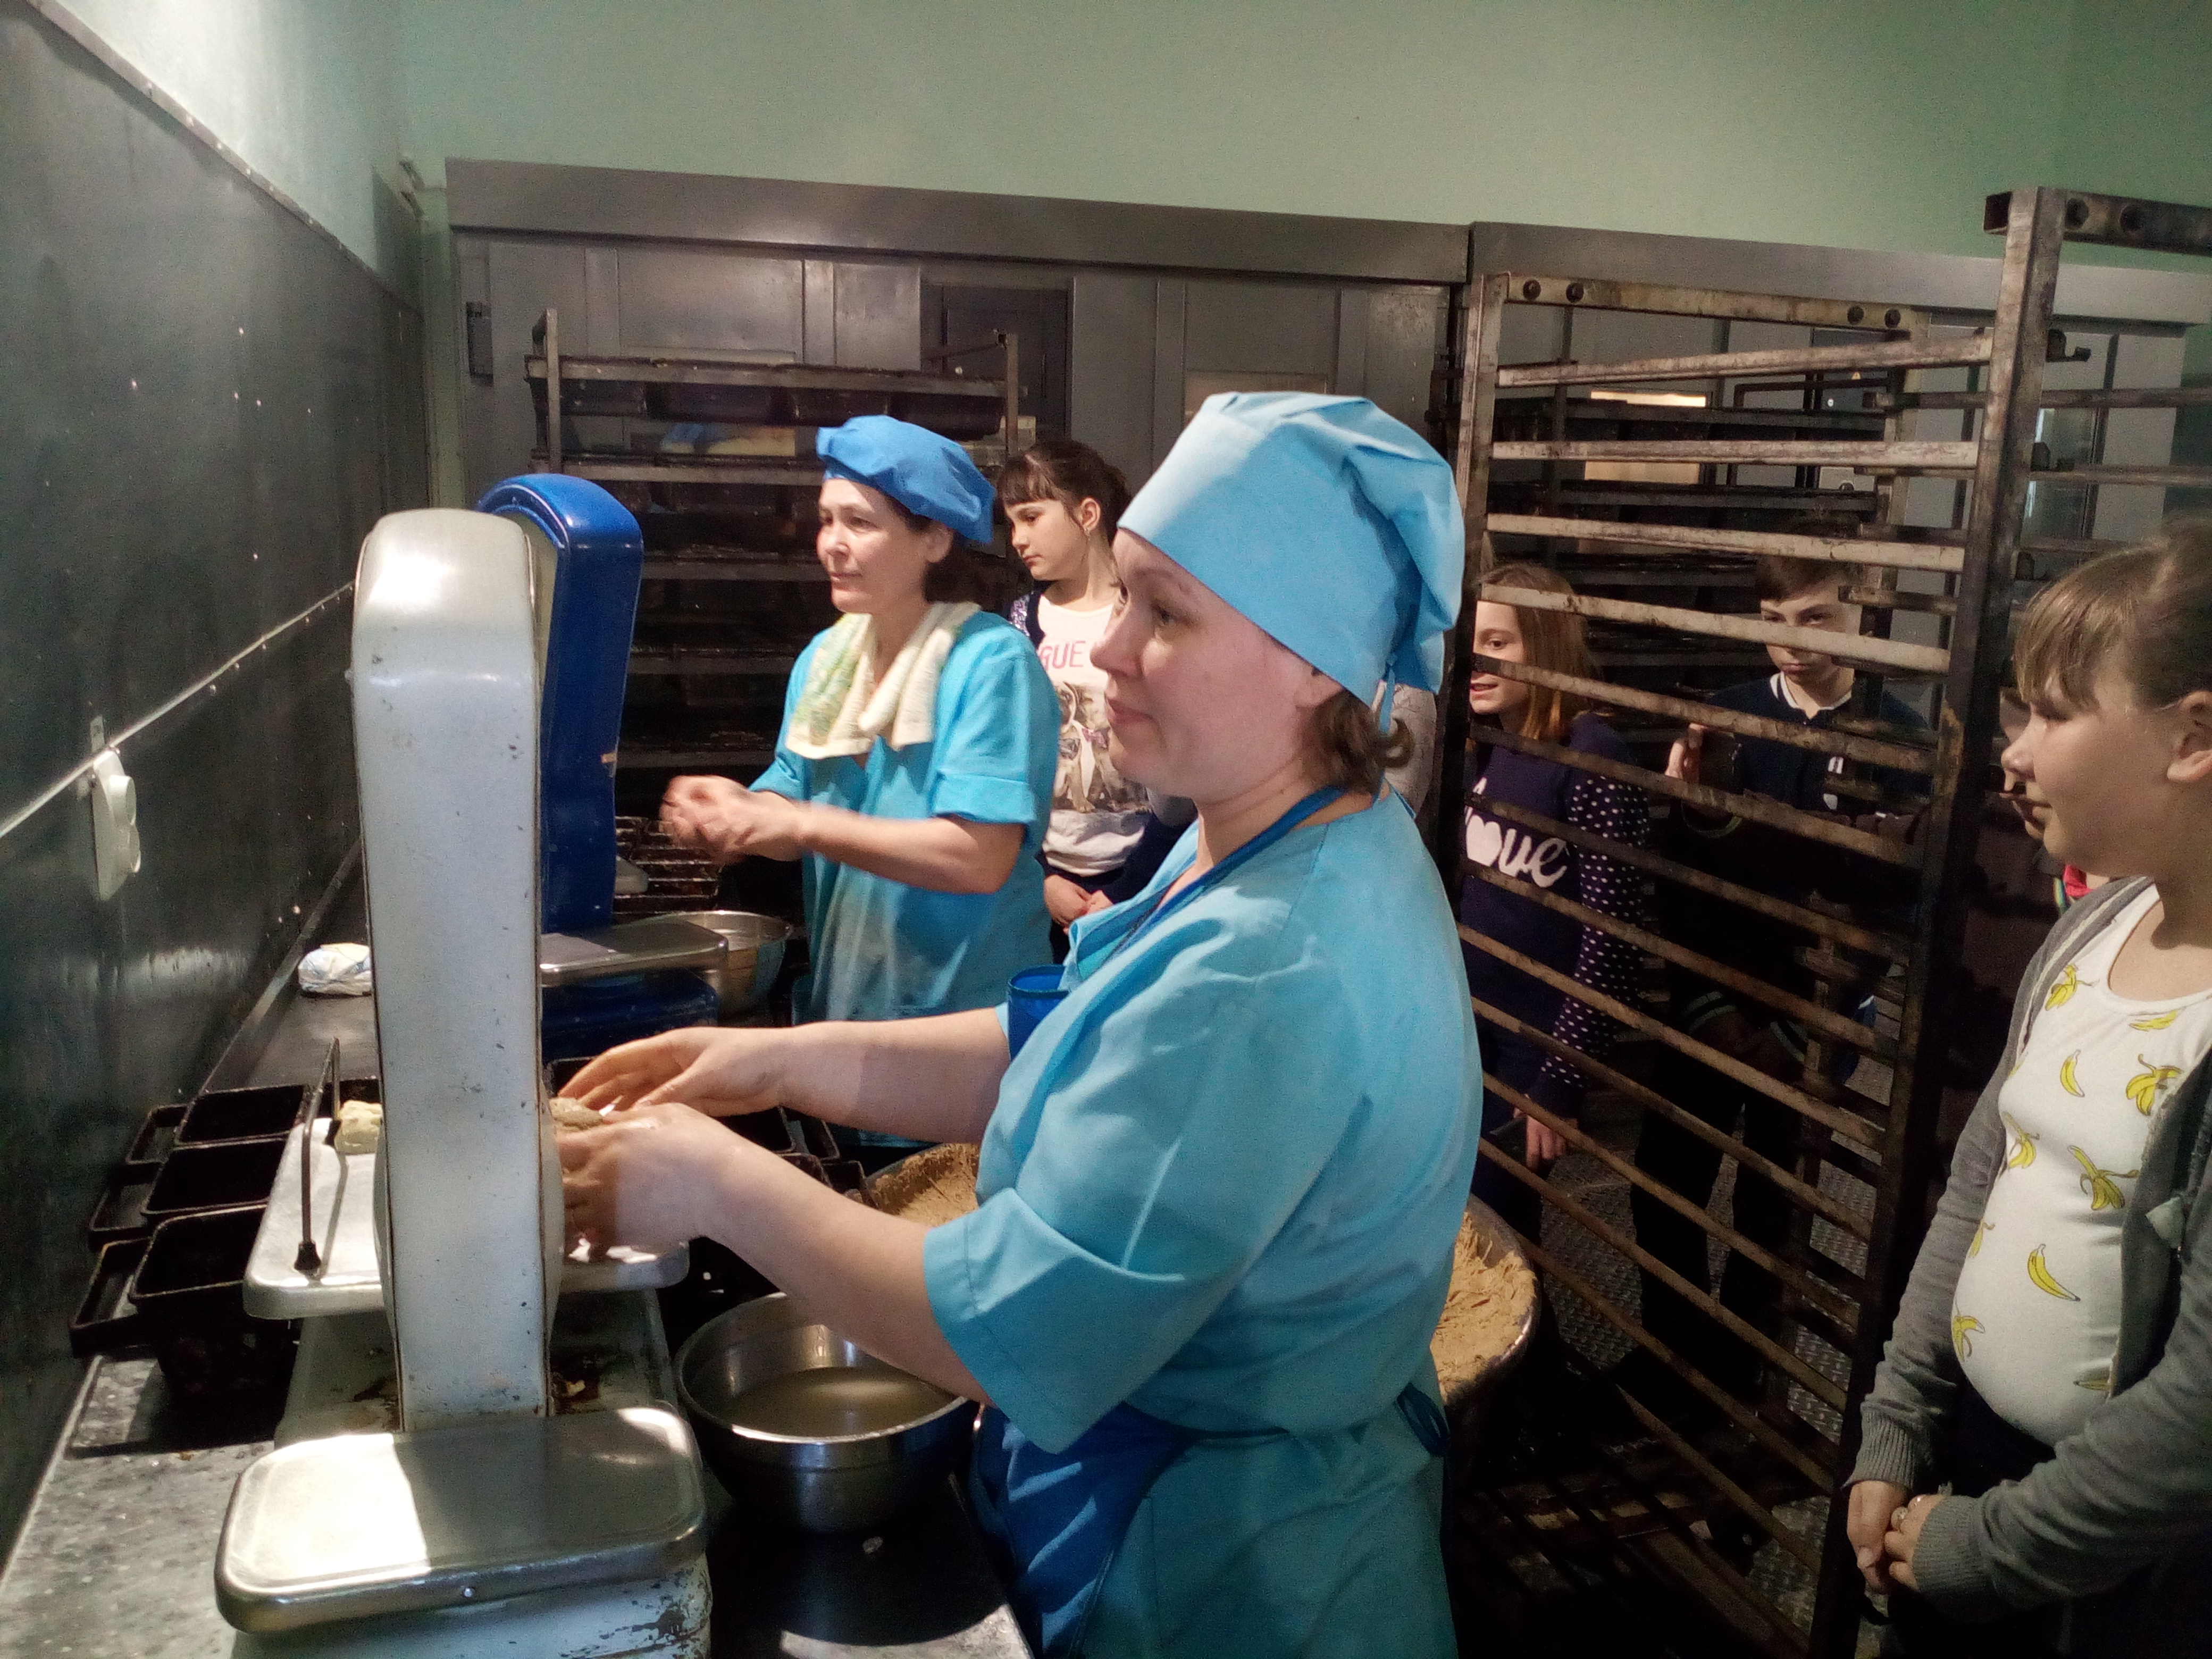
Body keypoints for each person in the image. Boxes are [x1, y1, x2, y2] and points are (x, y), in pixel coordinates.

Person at [562, 393, 1478, 1658]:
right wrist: (767, 1062)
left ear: (1312, 660)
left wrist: (711, 1179)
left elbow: (1003, 1327)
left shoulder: (1271, 961)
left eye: (1167, 615)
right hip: (1177, 1491)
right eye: (1128, 600)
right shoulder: (1272, 833)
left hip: (1229, 1574)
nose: (1109, 652)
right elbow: (1061, 1038)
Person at [1842, 525, 2212, 1656]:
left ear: (2192, 737)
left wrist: (1995, 1548)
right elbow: (1982, 1184)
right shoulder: (2097, 926)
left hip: (2117, 1562)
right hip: (1971, 1468)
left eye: (2052, 714)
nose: (2013, 752)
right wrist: (1900, 1420)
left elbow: (2201, 1403)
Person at [659, 415, 1057, 1155]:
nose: (831, 544)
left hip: (958, 1033)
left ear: (934, 539)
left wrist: (801, 825)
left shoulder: (989, 664)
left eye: (860, 523)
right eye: (826, 520)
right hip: (848, 1013)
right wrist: (738, 812)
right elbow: (791, 796)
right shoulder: (827, 659)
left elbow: (978, 858)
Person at [1628, 550, 1929, 1402]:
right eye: (1774, 622)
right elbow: (1681, 871)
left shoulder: (1903, 740)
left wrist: (1809, 1027)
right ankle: (1671, 1359)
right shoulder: (1725, 718)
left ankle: (1743, 1377)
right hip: (1710, 995)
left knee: (1776, 1203)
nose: (1791, 643)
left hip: (1820, 1016)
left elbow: (1891, 905)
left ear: (1863, 617)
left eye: (1816, 618)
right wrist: (1706, 1000)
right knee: (1667, 1181)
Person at [1458, 563, 1647, 1242]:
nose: (1478, 661)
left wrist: (1561, 1076)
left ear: (1544, 645)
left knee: (1499, 1223)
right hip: (1467, 1019)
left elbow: (1611, 938)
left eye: (1499, 643)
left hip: (1536, 1039)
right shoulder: (1481, 742)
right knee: (1457, 1211)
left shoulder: (1590, 754)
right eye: (1471, 641)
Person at [999, 439, 1155, 934]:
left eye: (1031, 517)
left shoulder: (1148, 613)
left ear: (1087, 514)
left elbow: (1185, 761)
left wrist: (1131, 887)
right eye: (1011, 524)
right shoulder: (1020, 622)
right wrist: (1039, 876)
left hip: (1144, 874)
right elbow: (1008, 759)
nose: (1018, 539)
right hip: (1047, 879)